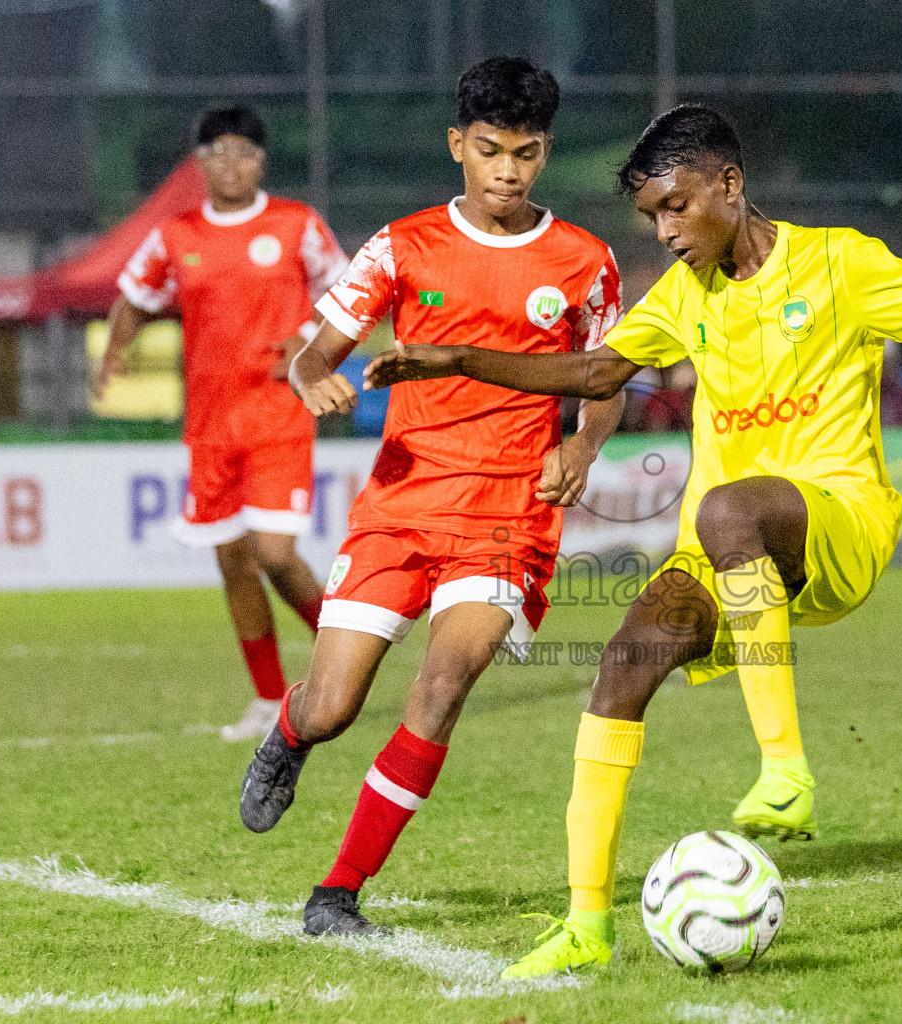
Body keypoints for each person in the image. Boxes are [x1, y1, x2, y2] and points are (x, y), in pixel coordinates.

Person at [365, 104, 902, 977]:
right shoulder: (686, 292)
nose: (666, 230)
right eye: (652, 215)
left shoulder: (840, 262)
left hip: (838, 527)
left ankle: (785, 770)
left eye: (677, 207)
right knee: (622, 665)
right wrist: (459, 358)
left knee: (730, 507)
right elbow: (594, 371)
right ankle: (586, 925)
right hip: (725, 551)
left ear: (729, 185)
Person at [235, 57, 627, 937]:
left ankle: (338, 892)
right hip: (401, 507)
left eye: (525, 154)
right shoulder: (401, 246)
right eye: (489, 151)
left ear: (545, 153)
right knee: (333, 704)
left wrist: (584, 439)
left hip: (508, 516)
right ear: (458, 145)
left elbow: (607, 378)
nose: (507, 172)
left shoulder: (583, 263)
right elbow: (312, 351)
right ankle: (291, 736)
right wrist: (310, 383)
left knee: (446, 681)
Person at [103, 106, 349, 741]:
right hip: (211, 426)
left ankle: (349, 660)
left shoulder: (297, 225)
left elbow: (349, 293)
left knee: (274, 552)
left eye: (245, 152)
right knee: (235, 563)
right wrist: (115, 351)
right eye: (218, 152)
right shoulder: (175, 234)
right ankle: (269, 699)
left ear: (262, 160)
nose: (232, 164)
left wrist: (304, 341)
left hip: (278, 414)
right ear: (199, 163)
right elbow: (133, 293)